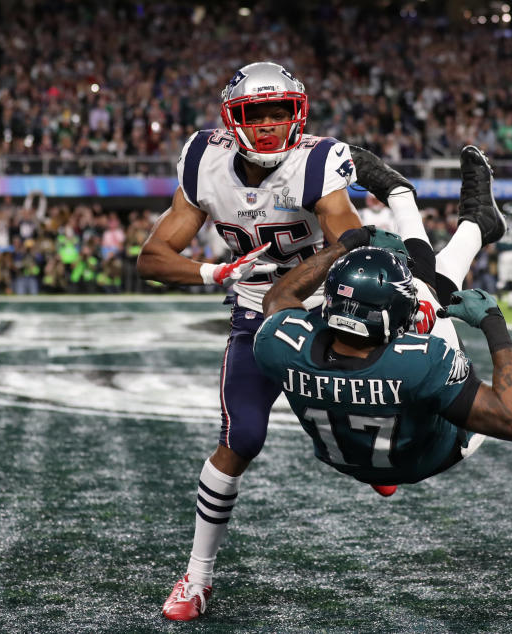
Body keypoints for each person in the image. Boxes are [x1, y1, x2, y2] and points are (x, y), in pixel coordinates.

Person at [136, 61, 369, 622]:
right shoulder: (204, 160)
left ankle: (374, 460)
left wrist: (311, 274)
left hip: (324, 313)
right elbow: (152, 257)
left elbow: (353, 241)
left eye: (278, 112)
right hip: (253, 313)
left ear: (299, 115)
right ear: (231, 119)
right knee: (242, 437)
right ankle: (197, 576)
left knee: (376, 412)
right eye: (255, 114)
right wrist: (214, 273)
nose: (267, 125)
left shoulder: (318, 161)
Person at [253, 150, 512, 496]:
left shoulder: (280, 345)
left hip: (347, 456)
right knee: (427, 293)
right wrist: (494, 324)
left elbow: (278, 298)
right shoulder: (419, 362)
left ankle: (466, 219)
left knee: (431, 282)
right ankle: (431, 209)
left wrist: (345, 247)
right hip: (431, 455)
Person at [495, 202, 512, 309]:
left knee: (502, 278)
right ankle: (511, 302)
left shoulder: (500, 222)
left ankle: (500, 287)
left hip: (504, 253)